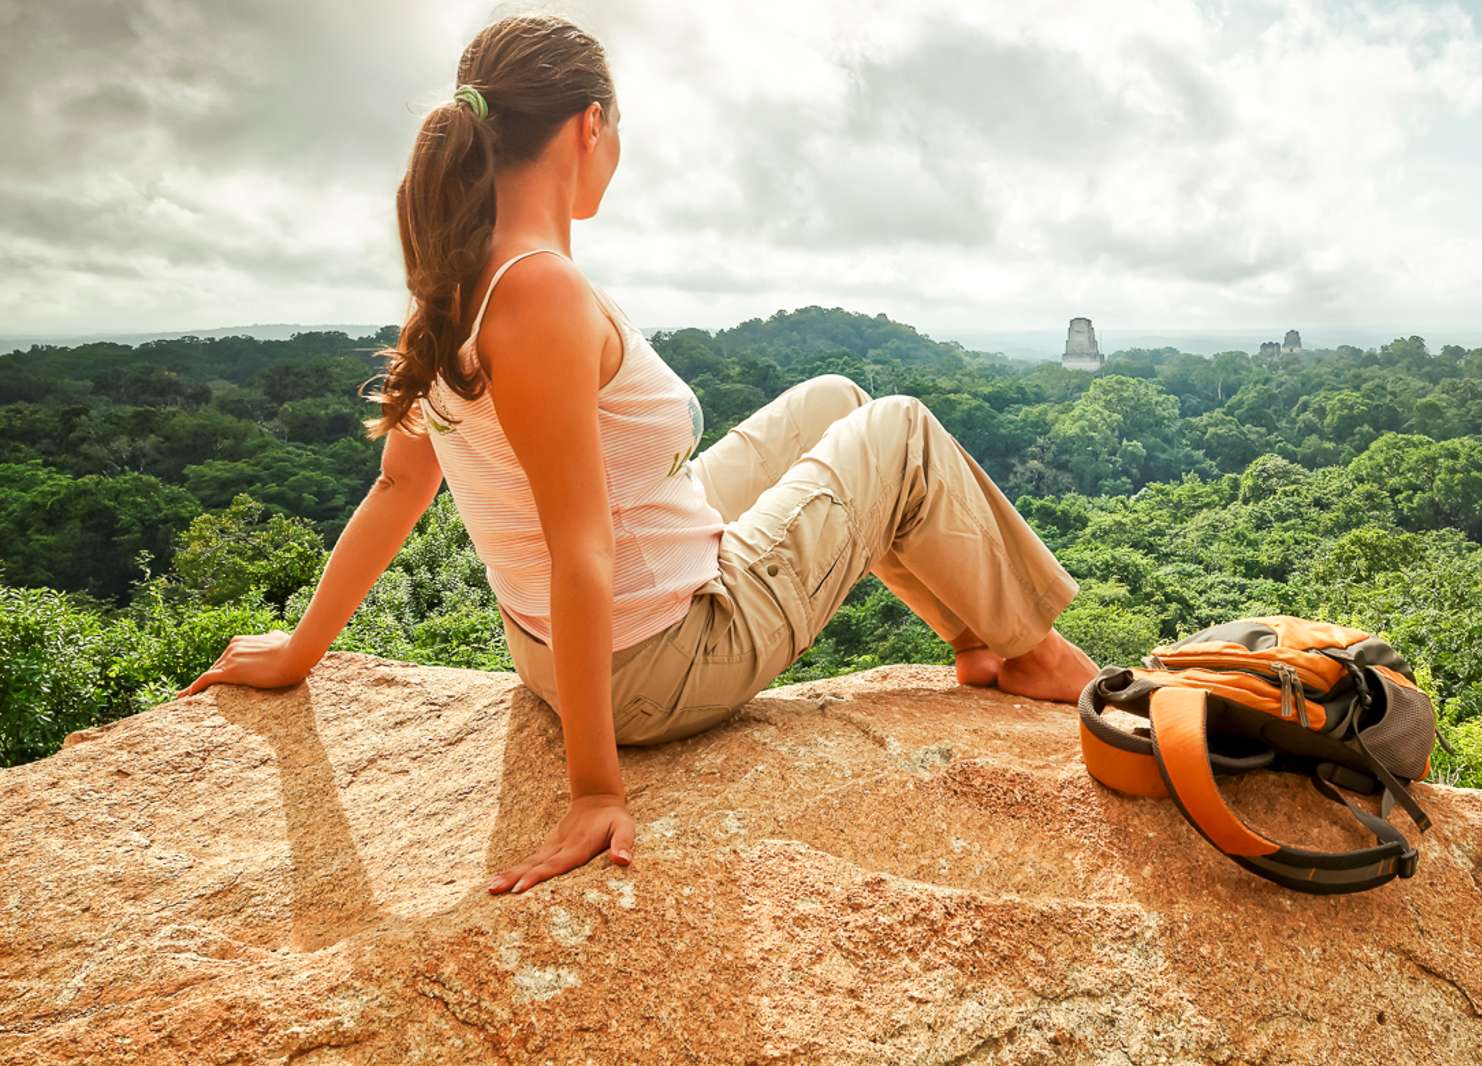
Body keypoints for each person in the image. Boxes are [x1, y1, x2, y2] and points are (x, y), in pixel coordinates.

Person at [176, 14, 1098, 897]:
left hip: (575, 643)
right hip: (659, 664)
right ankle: (1043, 656)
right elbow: (581, 548)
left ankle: (980, 640)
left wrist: (303, 650)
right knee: (898, 427)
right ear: (590, 125)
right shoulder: (538, 293)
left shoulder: (458, 278)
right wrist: (594, 791)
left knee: (837, 403)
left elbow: (398, 486)